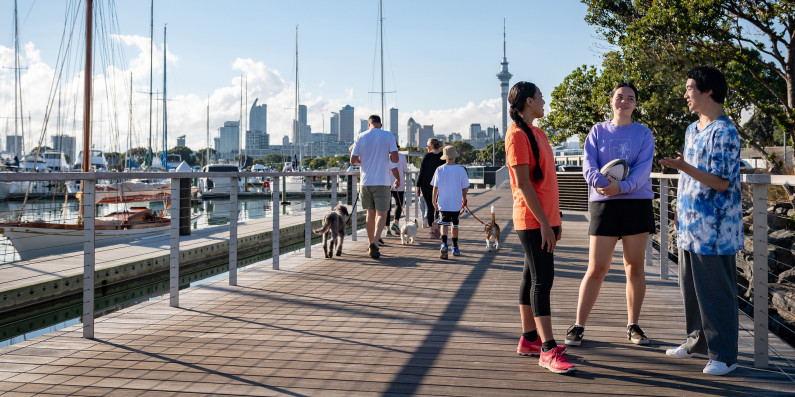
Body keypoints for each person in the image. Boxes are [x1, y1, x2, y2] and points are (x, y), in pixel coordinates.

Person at [658, 66, 742, 376]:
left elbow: (721, 182)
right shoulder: (692, 129)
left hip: (716, 228)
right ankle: (697, 342)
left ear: (708, 91)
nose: (685, 94)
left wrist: (683, 166)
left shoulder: (726, 131)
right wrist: (679, 208)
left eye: (690, 88)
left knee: (716, 291)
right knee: (691, 289)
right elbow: (687, 175)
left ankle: (725, 355)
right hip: (690, 224)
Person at [565, 82, 655, 347]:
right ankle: (579, 325)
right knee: (596, 268)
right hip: (603, 203)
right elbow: (588, 165)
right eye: (619, 97)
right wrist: (605, 186)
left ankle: (633, 325)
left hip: (636, 203)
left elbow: (642, 171)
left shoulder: (644, 134)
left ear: (636, 104)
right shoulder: (597, 131)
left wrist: (622, 187)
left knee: (634, 266)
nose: (624, 102)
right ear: (611, 101)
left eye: (630, 98)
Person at [506, 81, 575, 374]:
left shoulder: (538, 133)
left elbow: (546, 181)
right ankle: (547, 350)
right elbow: (523, 184)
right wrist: (545, 224)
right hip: (533, 220)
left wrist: (554, 218)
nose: (544, 100)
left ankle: (531, 339)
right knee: (542, 280)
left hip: (545, 218)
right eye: (541, 97)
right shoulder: (516, 135)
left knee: (530, 275)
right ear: (528, 102)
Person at [350, 115, 400, 259]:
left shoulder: (361, 136)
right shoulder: (388, 135)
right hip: (382, 181)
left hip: (366, 182)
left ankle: (369, 242)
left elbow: (353, 160)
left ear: (369, 124)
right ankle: (375, 243)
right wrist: (388, 156)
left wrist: (364, 160)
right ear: (381, 124)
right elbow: (395, 159)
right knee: (382, 214)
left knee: (370, 214)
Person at [431, 146, 469, 259]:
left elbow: (435, 187)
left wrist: (434, 200)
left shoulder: (439, 169)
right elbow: (464, 188)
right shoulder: (461, 169)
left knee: (444, 224)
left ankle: (443, 245)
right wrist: (464, 199)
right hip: (456, 202)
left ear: (445, 157)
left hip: (443, 201)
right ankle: (455, 246)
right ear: (454, 156)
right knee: (455, 225)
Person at [416, 138, 445, 238]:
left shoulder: (427, 156)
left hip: (427, 186)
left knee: (430, 207)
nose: (427, 147)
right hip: (440, 185)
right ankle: (437, 224)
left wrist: (417, 186)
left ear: (432, 145)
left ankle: (432, 231)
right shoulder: (443, 157)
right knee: (439, 207)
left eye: (428, 145)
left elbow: (422, 172)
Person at [387, 140, 410, 236]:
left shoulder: (385, 156)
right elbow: (405, 170)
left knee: (386, 207)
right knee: (399, 204)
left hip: (386, 183)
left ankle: (387, 229)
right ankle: (396, 223)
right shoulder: (402, 156)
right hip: (398, 183)